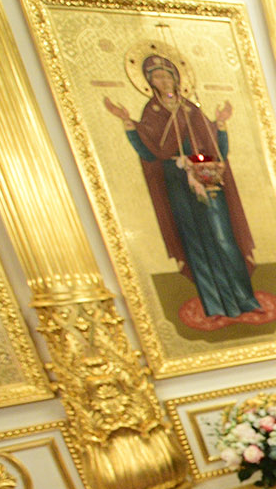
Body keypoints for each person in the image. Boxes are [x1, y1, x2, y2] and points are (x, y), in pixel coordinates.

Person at [103, 54, 262, 320]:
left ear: (177, 79)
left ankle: (245, 298)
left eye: (167, 76)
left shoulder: (191, 109)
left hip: (208, 181)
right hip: (178, 185)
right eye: (157, 77)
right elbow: (148, 151)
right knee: (195, 242)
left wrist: (221, 123)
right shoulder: (151, 113)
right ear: (150, 82)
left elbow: (218, 150)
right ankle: (215, 305)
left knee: (224, 237)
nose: (163, 81)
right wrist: (128, 124)